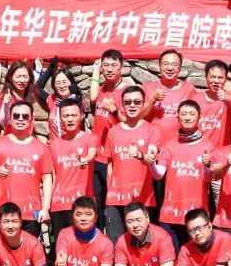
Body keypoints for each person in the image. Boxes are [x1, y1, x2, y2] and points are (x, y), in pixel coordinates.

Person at [0, 102, 54, 239]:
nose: (20, 119)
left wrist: (45, 209)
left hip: (31, 213)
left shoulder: (41, 148)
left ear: (32, 119)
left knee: (29, 251)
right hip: (5, 214)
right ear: (10, 119)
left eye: (25, 116)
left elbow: (47, 179)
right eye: (16, 116)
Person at [103, 86, 161, 239]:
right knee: (116, 241)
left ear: (143, 104)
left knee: (143, 243)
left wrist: (141, 156)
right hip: (116, 198)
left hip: (143, 198)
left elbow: (151, 157)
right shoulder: (113, 131)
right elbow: (110, 165)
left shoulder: (152, 130)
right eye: (128, 102)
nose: (132, 105)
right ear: (122, 105)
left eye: (137, 102)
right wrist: (110, 192)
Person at [154, 100, 213, 248]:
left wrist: (208, 166)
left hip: (196, 216)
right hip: (170, 214)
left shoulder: (208, 145)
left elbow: (209, 177)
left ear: (199, 117)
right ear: (178, 117)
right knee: (171, 257)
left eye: (192, 114)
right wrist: (150, 164)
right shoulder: (168, 144)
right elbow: (159, 175)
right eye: (184, 114)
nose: (187, 117)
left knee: (195, 258)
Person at [46, 99, 99, 239]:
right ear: (60, 118)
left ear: (81, 116)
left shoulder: (90, 138)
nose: (70, 119)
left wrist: (86, 159)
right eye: (66, 116)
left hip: (83, 205)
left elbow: (92, 153)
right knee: (61, 246)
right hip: (58, 205)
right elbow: (52, 176)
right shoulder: (54, 144)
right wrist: (47, 207)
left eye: (74, 115)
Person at [89, 49, 129, 226]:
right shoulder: (101, 90)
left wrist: (114, 110)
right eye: (106, 65)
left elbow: (130, 123)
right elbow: (92, 98)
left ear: (122, 67)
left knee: (114, 204)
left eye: (114, 65)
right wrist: (95, 70)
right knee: (97, 203)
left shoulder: (127, 92)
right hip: (97, 156)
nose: (110, 69)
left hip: (114, 158)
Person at [143, 50, 199, 144]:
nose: (170, 68)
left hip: (179, 145)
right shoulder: (147, 88)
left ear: (180, 68)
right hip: (152, 144)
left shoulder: (189, 89)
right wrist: (153, 100)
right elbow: (138, 117)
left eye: (174, 64)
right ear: (160, 66)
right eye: (166, 64)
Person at [36, 58, 86, 139]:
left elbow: (78, 104)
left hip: (74, 145)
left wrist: (75, 94)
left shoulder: (78, 99)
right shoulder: (52, 100)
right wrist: (50, 69)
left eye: (64, 82)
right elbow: (36, 89)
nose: (62, 86)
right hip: (54, 145)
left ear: (71, 83)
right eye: (58, 83)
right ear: (54, 86)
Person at [198, 60, 231, 152]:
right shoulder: (196, 98)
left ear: (226, 78)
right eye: (212, 77)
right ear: (206, 77)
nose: (216, 81)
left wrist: (225, 97)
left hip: (223, 152)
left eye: (220, 77)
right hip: (201, 151)